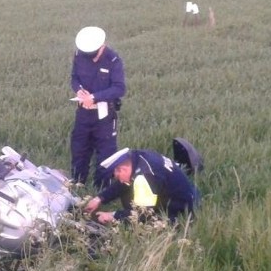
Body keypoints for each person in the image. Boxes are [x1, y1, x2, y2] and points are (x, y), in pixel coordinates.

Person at [70, 26, 126, 189]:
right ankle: (77, 183)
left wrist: (93, 97)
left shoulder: (113, 60)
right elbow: (74, 78)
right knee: (79, 148)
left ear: (101, 46)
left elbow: (119, 88)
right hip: (83, 113)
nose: (89, 57)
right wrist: (79, 89)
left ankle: (102, 189)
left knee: (105, 152)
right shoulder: (79, 55)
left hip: (104, 115)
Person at [83, 147, 200, 225]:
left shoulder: (145, 178)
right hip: (181, 192)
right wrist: (99, 199)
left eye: (116, 175)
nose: (117, 178)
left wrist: (113, 216)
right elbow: (122, 184)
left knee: (144, 219)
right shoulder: (138, 157)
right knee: (127, 187)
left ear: (122, 169)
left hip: (180, 208)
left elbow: (143, 213)